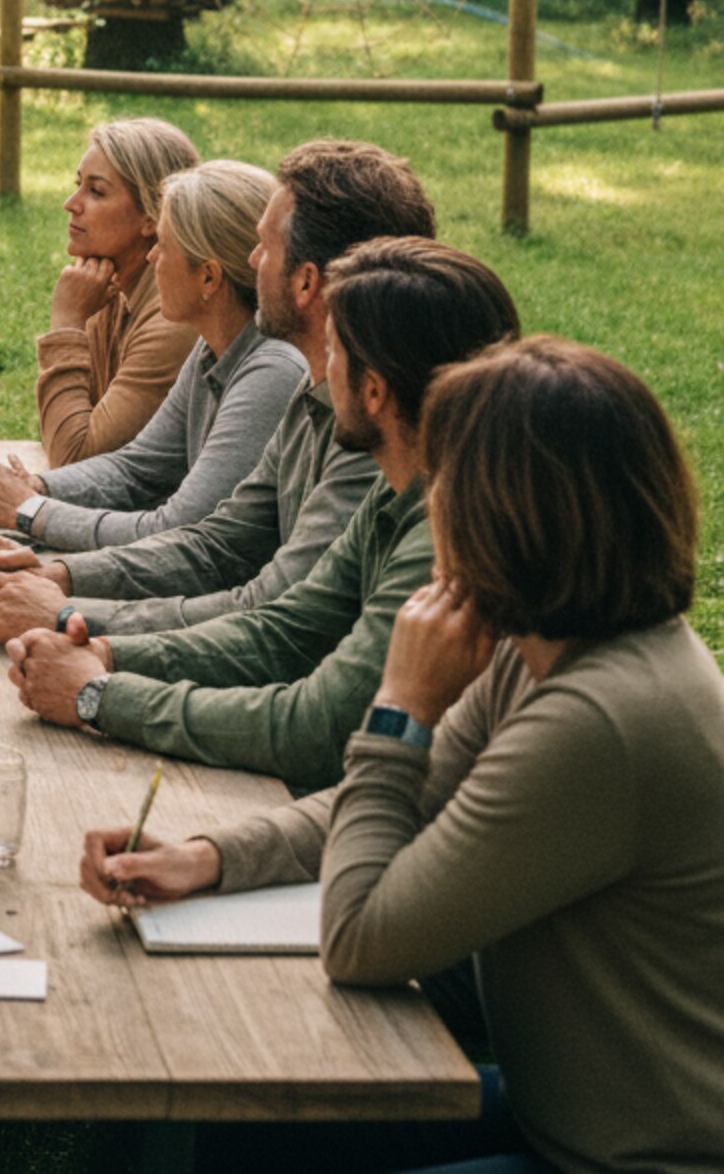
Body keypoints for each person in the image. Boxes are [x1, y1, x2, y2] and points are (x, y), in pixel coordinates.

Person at [79, 338, 724, 1174]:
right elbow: (392, 803)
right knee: (232, 1127)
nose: (432, 503)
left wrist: (402, 706)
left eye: (449, 483)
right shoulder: (550, 650)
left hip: (627, 1158)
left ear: (510, 511)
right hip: (558, 1111)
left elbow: (361, 937)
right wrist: (209, 857)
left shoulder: (599, 721)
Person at [7, 236, 519, 793]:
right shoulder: (401, 487)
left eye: (334, 349)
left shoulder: (445, 538)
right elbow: (281, 628)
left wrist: (101, 693)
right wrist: (101, 648)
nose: (320, 366)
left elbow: (317, 727)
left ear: (373, 391)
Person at [0, 138, 438, 645]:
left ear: (304, 283)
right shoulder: (308, 379)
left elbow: (279, 618)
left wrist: (71, 616)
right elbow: (212, 536)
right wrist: (61, 574)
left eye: (265, 246)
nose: (252, 259)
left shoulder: (321, 393)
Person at [0, 159, 307, 553]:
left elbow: (177, 529)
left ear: (208, 277)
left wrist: (29, 510)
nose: (151, 258)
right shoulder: (213, 346)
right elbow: (137, 466)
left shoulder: (271, 371)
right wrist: (38, 486)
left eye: (164, 245)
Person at [29, 117, 203, 462]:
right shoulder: (107, 283)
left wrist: (67, 322)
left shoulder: (172, 320)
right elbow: (61, 429)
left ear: (152, 217)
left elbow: (73, 456)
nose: (70, 203)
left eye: (96, 191)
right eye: (77, 184)